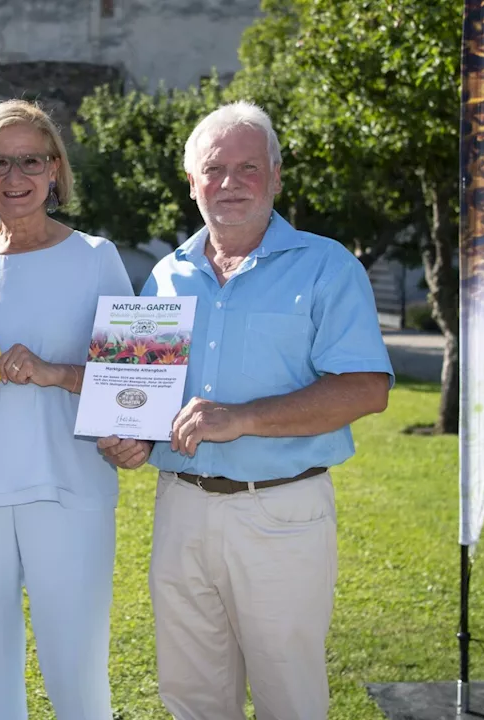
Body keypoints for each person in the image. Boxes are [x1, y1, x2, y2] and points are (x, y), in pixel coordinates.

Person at [98, 101, 394, 720]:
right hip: (181, 507)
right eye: (214, 169)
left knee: (289, 694)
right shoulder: (165, 275)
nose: (230, 183)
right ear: (192, 182)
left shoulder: (327, 265)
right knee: (192, 695)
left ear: (277, 176)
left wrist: (243, 417)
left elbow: (367, 387)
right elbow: (145, 396)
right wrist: (128, 438)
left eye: (248, 168)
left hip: (280, 510)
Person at [0, 99, 133, 720]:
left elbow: (136, 380)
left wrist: (54, 373)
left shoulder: (97, 257)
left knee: (77, 674)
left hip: (70, 486)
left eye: (30, 161)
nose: (14, 178)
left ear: (54, 171)